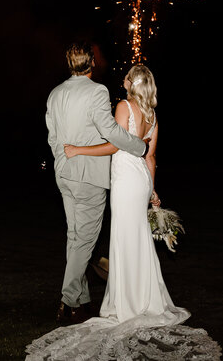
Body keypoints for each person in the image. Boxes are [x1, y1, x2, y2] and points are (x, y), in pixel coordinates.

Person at [26, 64, 222, 361]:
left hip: (125, 182)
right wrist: (152, 190)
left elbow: (113, 144)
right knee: (138, 238)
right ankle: (145, 299)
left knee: (122, 238)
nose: (123, 78)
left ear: (132, 84)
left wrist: (79, 150)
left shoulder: (123, 106)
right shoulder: (153, 116)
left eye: (127, 76)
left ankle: (125, 304)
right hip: (140, 182)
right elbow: (150, 156)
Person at [44, 42, 147, 325]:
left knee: (76, 238)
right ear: (91, 63)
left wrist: (61, 162)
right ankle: (67, 301)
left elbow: (53, 138)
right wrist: (138, 146)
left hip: (63, 174)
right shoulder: (97, 91)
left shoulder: (55, 94)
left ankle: (81, 301)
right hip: (88, 176)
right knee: (85, 241)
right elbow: (110, 131)